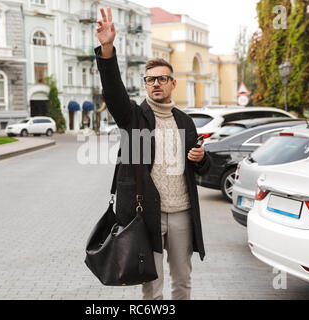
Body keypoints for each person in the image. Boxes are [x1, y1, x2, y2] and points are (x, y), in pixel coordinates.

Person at [95, 8, 210, 300]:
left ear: (173, 83)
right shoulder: (135, 118)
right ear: (145, 85)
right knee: (152, 284)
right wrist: (107, 49)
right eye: (150, 80)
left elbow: (200, 167)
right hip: (147, 213)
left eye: (162, 78)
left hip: (182, 212)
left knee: (183, 280)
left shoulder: (185, 121)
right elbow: (113, 92)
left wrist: (201, 159)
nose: (156, 83)